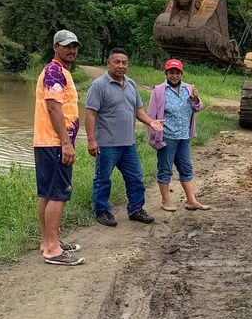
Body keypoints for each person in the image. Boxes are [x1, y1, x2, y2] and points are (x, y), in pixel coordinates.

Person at [85, 48, 164, 227]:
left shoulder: (131, 84)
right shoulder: (98, 85)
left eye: (124, 63)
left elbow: (138, 110)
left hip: (128, 143)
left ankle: (136, 209)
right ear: (108, 63)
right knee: (103, 179)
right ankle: (102, 211)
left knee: (135, 177)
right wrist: (91, 140)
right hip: (106, 144)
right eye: (117, 62)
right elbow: (90, 113)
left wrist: (150, 122)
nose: (121, 66)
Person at [33, 30, 85, 266]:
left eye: (74, 46)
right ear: (55, 47)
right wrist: (66, 143)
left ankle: (47, 242)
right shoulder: (54, 71)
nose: (71, 50)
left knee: (47, 193)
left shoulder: (58, 71)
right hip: (54, 142)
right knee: (57, 195)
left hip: (46, 142)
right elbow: (54, 108)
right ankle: (53, 250)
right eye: (66, 46)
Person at [147, 59, 209, 211]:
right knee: (165, 169)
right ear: (166, 73)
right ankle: (165, 201)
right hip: (167, 137)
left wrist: (195, 98)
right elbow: (151, 116)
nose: (174, 76)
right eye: (171, 73)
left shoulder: (189, 89)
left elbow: (198, 107)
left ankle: (191, 201)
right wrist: (155, 137)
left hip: (183, 137)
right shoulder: (159, 91)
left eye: (177, 73)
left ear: (181, 74)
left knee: (186, 169)